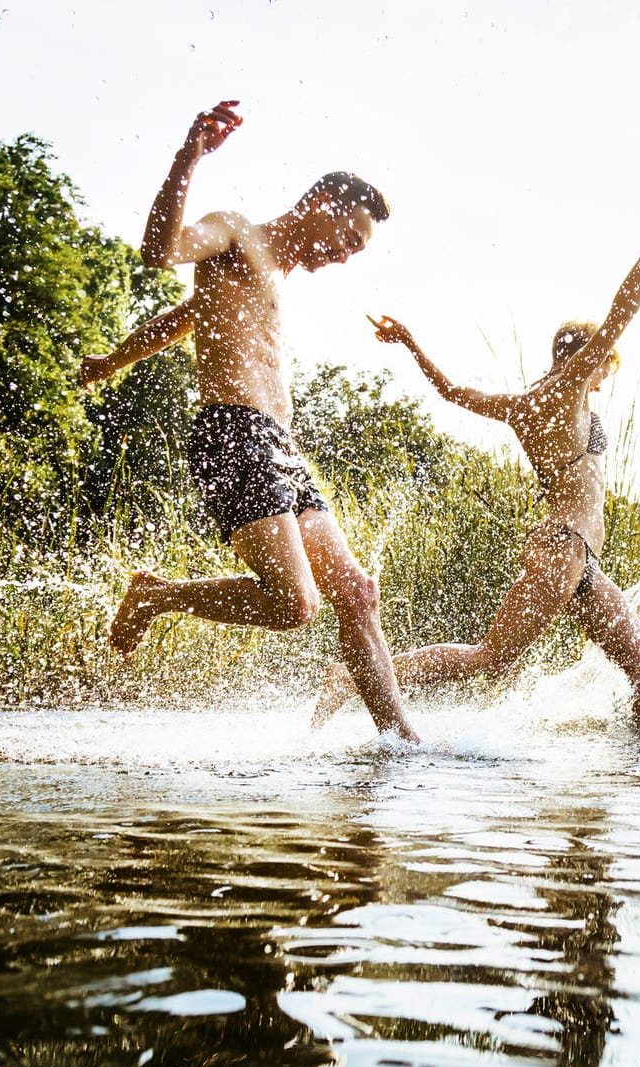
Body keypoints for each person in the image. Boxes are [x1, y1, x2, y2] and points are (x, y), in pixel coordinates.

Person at [77, 100, 416, 743]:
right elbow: (159, 250)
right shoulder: (235, 231)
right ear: (324, 202)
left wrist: (116, 357)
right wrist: (190, 156)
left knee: (358, 592)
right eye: (350, 238)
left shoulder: (275, 277)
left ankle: (403, 745)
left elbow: (184, 318)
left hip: (280, 446)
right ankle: (157, 594)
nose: (347, 256)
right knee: (294, 606)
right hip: (232, 432)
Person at [309, 180, 640, 734]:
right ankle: (352, 676)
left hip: (576, 558)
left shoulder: (524, 403)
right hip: (563, 550)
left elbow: (451, 392)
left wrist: (413, 346)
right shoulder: (568, 388)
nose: (606, 375)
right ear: (592, 360)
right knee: (490, 657)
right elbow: (623, 309)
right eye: (604, 364)